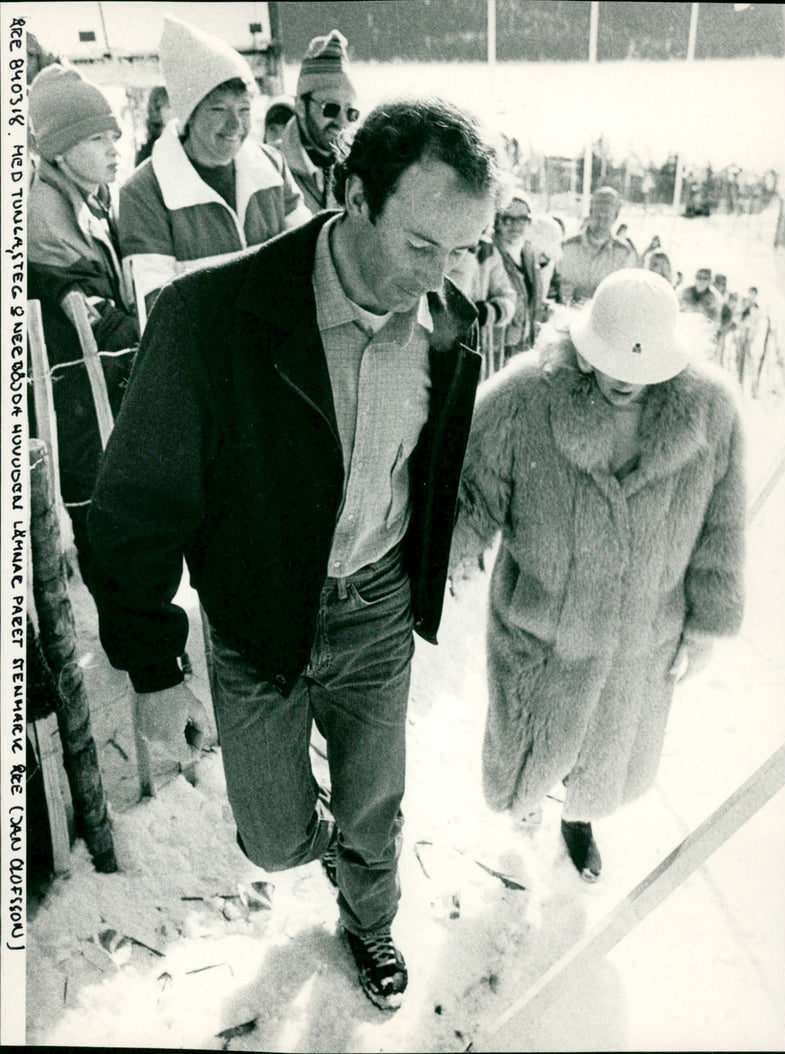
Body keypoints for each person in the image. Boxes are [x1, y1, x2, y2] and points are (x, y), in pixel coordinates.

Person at [87, 97, 500, 1011]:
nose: (440, 275)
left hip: (377, 612)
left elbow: (432, 475)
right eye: (421, 246)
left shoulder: (447, 325)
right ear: (353, 195)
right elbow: (134, 511)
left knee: (373, 807)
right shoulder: (211, 315)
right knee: (273, 839)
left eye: (463, 249)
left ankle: (370, 917)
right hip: (258, 618)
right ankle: (319, 841)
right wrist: (155, 672)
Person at [449, 268, 745, 881]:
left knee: (605, 748)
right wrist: (438, 563)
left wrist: (708, 623)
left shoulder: (710, 410)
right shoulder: (527, 395)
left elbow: (723, 523)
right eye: (609, 361)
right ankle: (527, 801)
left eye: (640, 370)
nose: (621, 380)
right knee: (528, 747)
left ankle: (578, 821)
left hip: (642, 631)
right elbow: (472, 493)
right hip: (543, 622)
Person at [27, 64, 139, 599]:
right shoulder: (44, 214)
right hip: (76, 401)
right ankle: (136, 648)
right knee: (104, 515)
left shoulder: (88, 198)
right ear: (60, 149)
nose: (113, 148)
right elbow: (89, 307)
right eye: (96, 138)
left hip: (96, 394)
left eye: (114, 135)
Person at [118, 15, 311, 320]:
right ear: (189, 115)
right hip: (203, 362)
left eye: (245, 110)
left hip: (277, 347)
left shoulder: (271, 166)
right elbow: (158, 307)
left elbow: (309, 254)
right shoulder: (144, 191)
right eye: (219, 109)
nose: (235, 125)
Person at [274, 29, 360, 213]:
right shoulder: (272, 170)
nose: (341, 121)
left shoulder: (359, 169)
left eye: (351, 112)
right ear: (300, 107)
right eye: (330, 108)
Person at [447, 231, 517, 376]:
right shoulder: (440, 240)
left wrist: (488, 312)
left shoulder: (486, 250)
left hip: (474, 346)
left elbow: (507, 296)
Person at [559, 186, 639, 304]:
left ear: (615, 218)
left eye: (606, 218)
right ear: (590, 213)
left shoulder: (624, 252)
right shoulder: (568, 247)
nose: (601, 223)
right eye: (597, 217)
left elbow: (626, 295)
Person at [492, 190, 542, 357]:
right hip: (495, 349)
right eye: (508, 219)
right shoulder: (489, 255)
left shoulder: (529, 253)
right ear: (497, 221)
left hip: (523, 344)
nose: (516, 226)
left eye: (522, 219)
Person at [135, 85, 171, 166]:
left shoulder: (185, 141)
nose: (176, 110)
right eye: (169, 106)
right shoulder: (148, 150)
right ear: (156, 109)